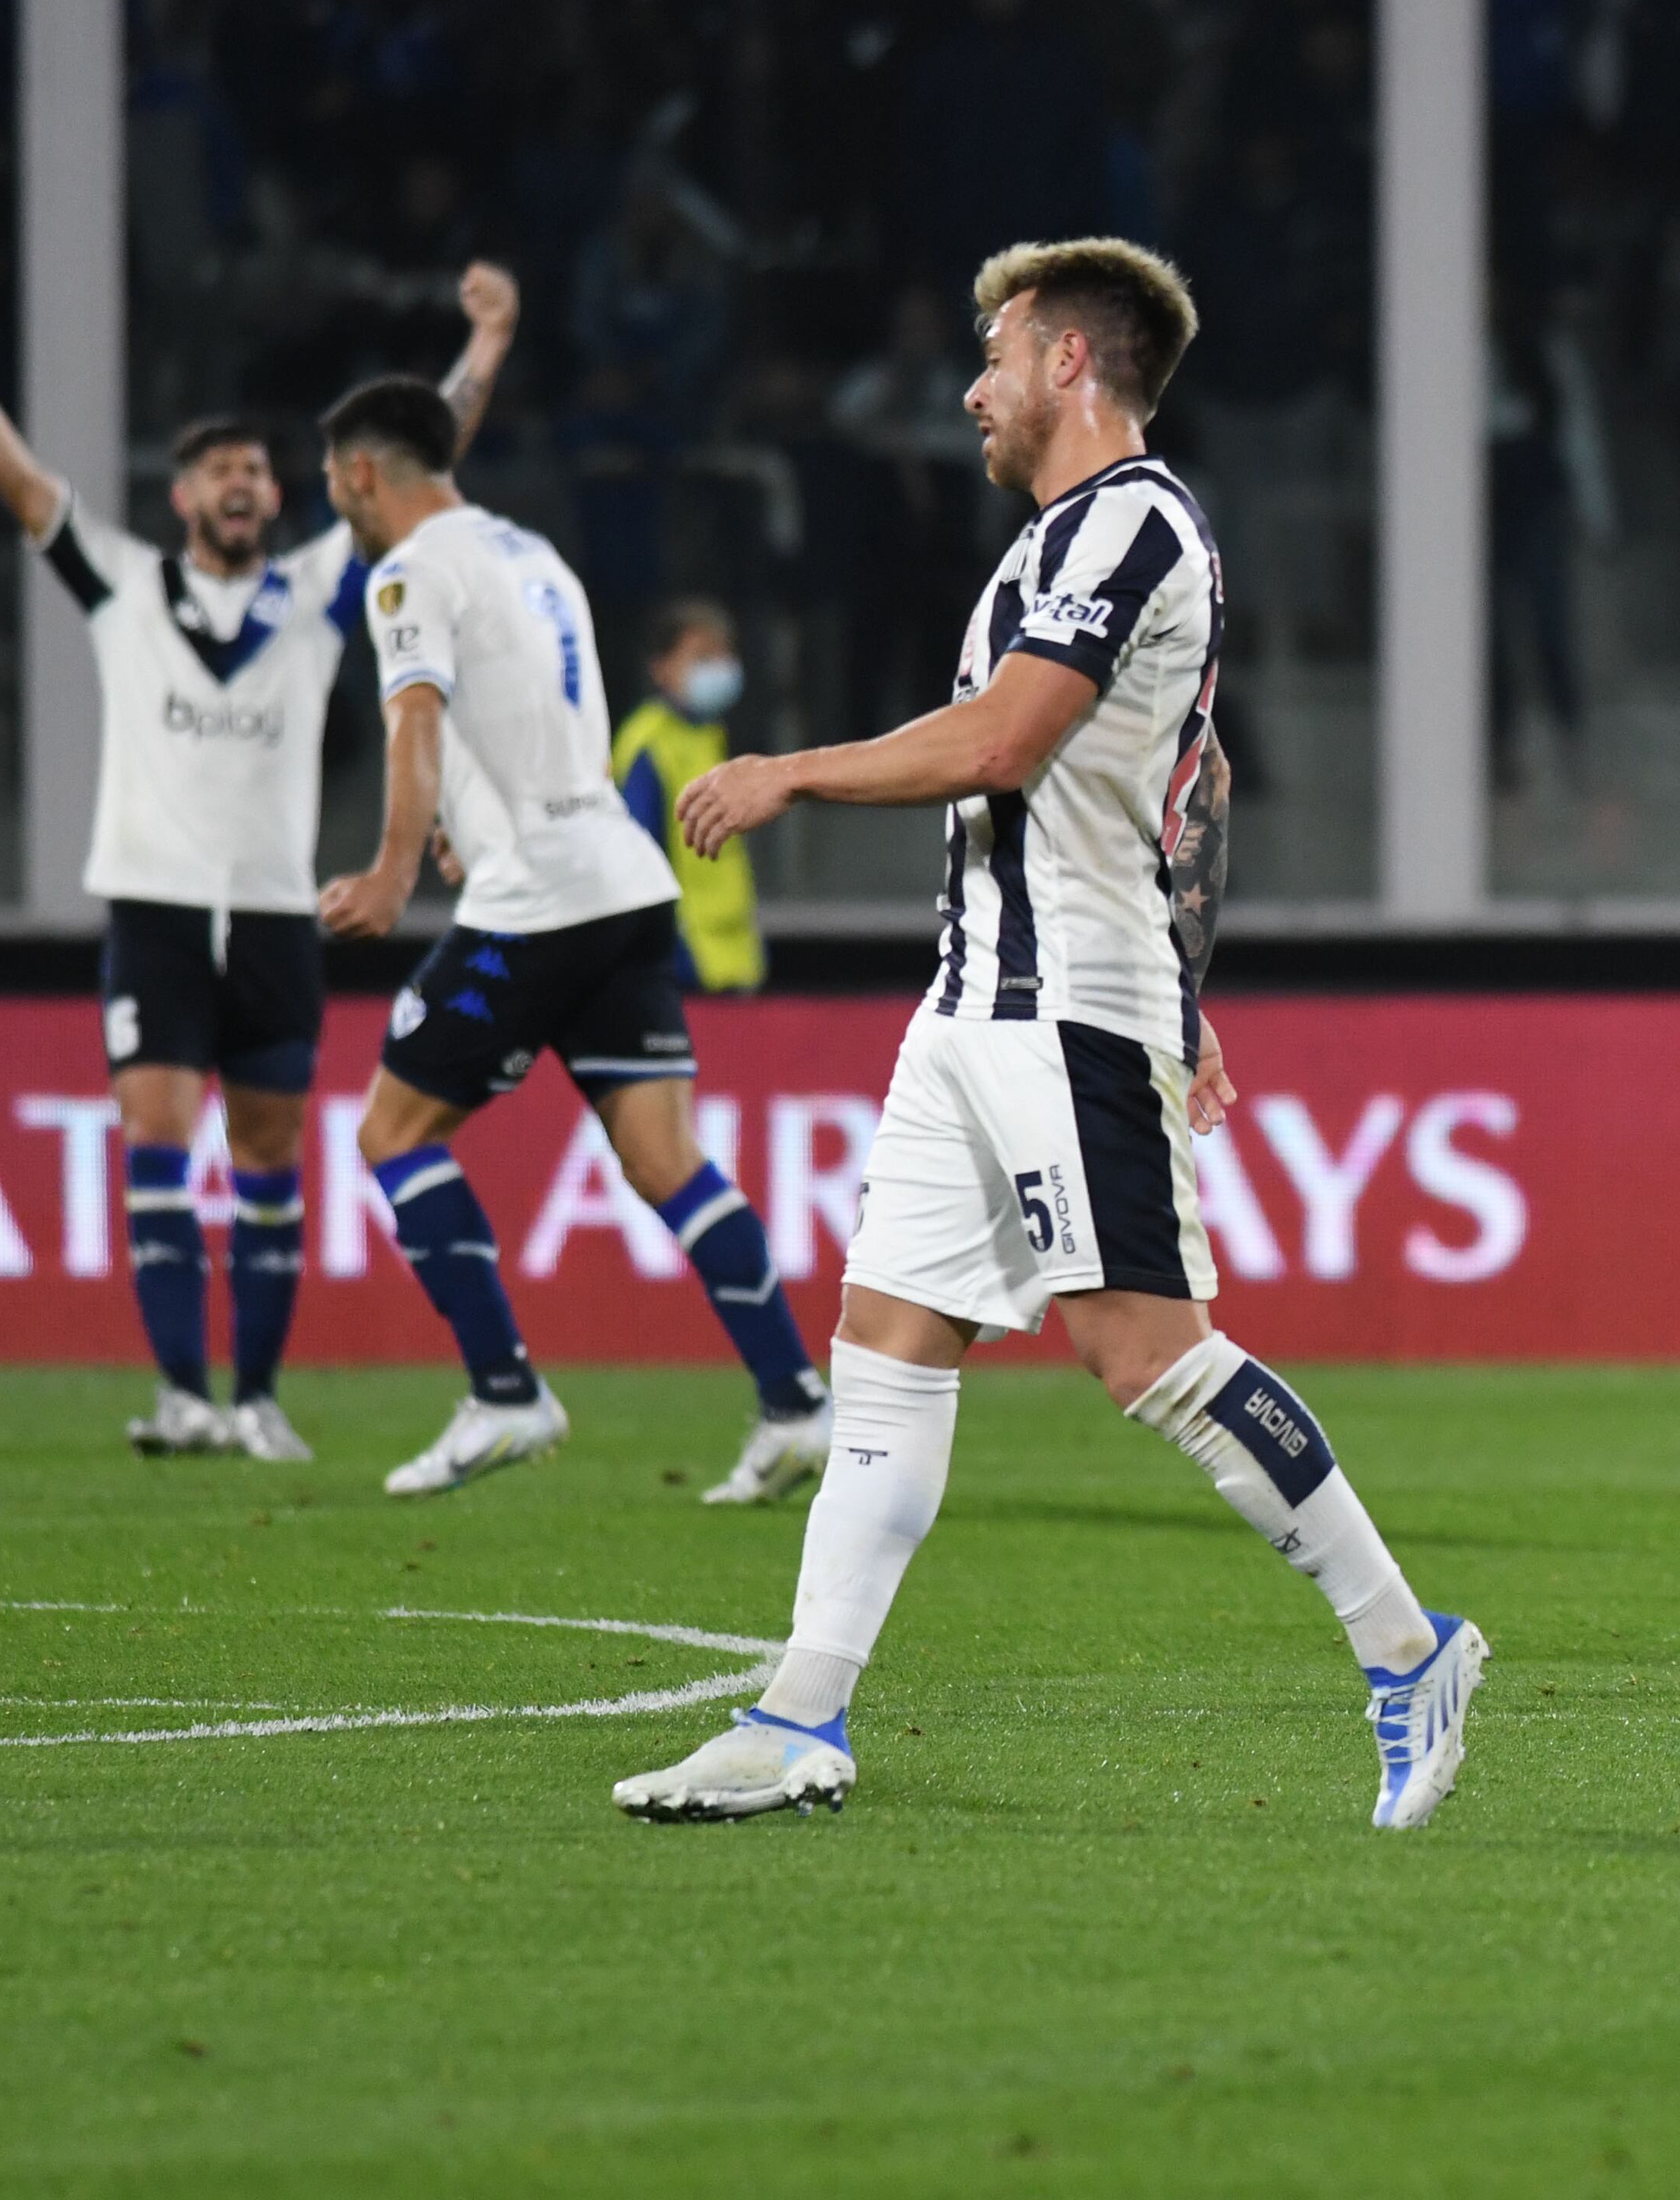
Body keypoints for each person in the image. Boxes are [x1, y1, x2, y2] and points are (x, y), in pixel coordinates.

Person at [614, 239, 1485, 1830]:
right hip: (973, 1003)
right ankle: (800, 1713)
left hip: (1067, 1002)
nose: (974, 386)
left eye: (997, 353)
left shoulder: (1139, 523)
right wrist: (1197, 977)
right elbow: (1191, 784)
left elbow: (1009, 742)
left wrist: (789, 769)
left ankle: (1408, 1644)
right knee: (885, 1344)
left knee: (1146, 1355)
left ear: (1072, 361)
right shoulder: (1055, 545)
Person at [0, 266, 517, 1463]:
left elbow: (424, 455)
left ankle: (257, 1398)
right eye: (220, 471)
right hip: (157, 909)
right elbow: (15, 476)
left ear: (278, 497)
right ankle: (182, 1395)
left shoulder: (320, 590)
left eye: (257, 472)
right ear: (181, 498)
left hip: (276, 911)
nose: (243, 485)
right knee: (158, 1144)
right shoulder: (125, 584)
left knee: (268, 1158)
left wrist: (484, 341)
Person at [316, 378, 829, 1507]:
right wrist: (467, 822)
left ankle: (504, 1390)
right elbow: (540, 722)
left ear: (360, 474)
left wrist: (396, 869)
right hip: (622, 884)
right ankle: (796, 1407)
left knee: (394, 1134)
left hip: (536, 904)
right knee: (665, 1163)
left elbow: (415, 719)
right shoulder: (530, 551)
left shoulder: (406, 573)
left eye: (334, 484)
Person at [613, 598, 767, 996]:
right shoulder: (648, 743)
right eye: (701, 658)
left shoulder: (710, 734)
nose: (718, 668)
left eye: (723, 655)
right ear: (661, 667)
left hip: (733, 955)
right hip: (684, 962)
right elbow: (639, 860)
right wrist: (665, 954)